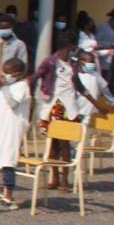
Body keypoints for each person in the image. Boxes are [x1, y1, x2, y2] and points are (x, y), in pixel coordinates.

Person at [28, 32, 82, 191]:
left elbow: (78, 86)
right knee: (52, 144)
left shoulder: (72, 64)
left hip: (68, 107)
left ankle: (65, 180)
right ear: (71, 46)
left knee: (65, 145)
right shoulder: (51, 62)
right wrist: (25, 84)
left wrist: (94, 102)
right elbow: (37, 75)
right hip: (52, 106)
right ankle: (55, 178)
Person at [0, 58, 31, 212]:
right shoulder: (6, 86)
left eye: (8, 73)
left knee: (9, 160)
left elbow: (13, 104)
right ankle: (5, 192)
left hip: (13, 127)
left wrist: (5, 86)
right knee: (2, 158)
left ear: (18, 74)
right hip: (3, 127)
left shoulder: (22, 86)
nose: (4, 76)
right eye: (3, 72)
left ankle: (9, 196)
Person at [76, 50, 114, 124]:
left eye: (93, 62)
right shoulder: (75, 75)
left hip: (90, 110)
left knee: (84, 128)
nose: (92, 64)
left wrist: (112, 101)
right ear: (81, 62)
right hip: (76, 108)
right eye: (90, 62)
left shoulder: (96, 75)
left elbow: (105, 89)